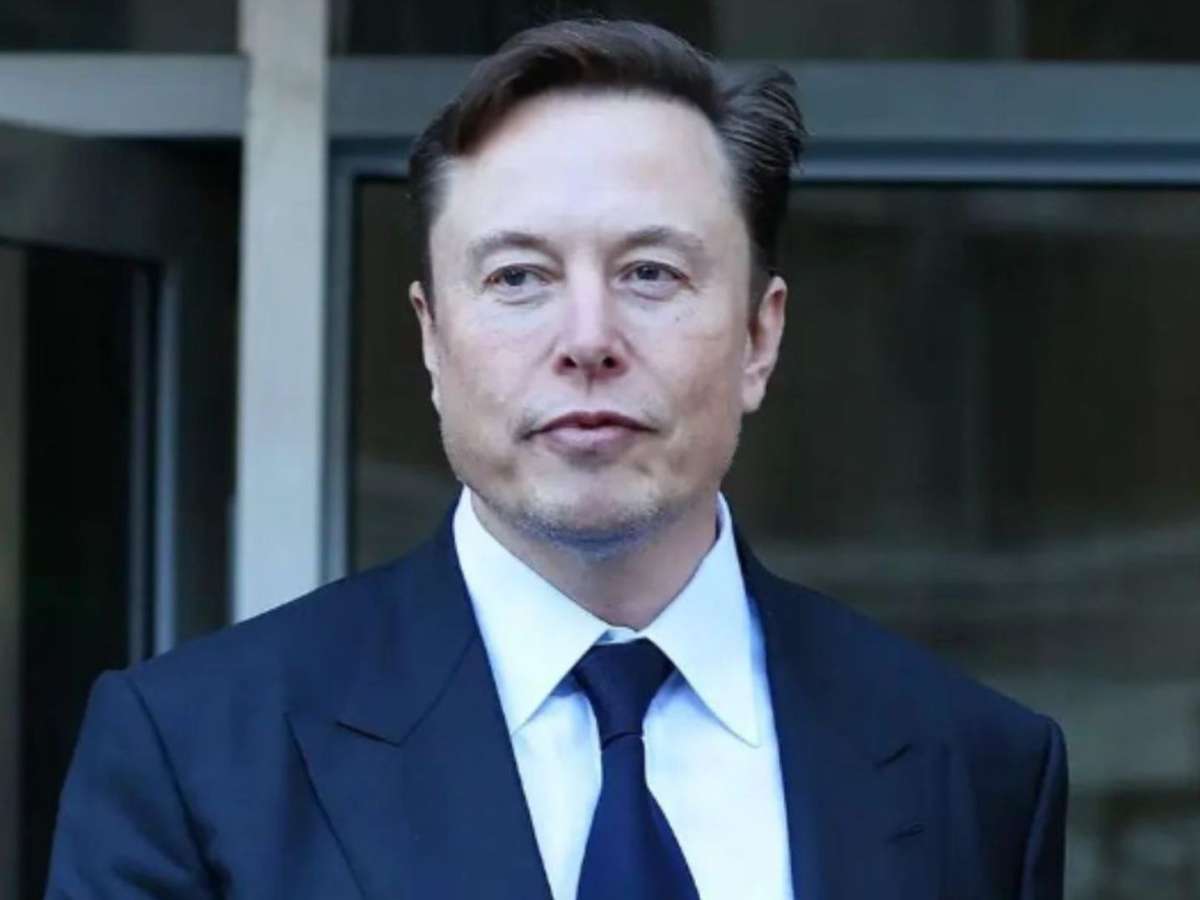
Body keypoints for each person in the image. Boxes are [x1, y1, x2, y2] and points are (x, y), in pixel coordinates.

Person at [45, 18, 1067, 900]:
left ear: (761, 337)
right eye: (519, 277)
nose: (588, 338)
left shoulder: (975, 768)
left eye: (651, 272)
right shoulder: (192, 756)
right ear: (432, 339)